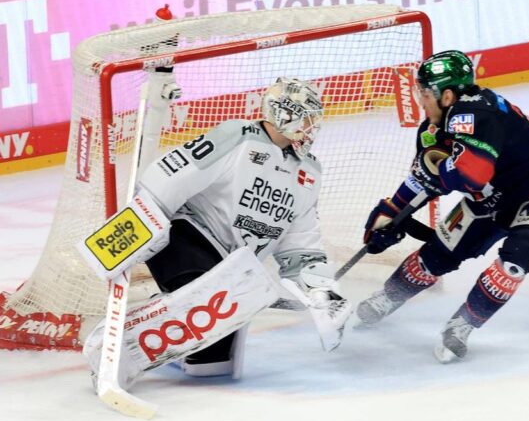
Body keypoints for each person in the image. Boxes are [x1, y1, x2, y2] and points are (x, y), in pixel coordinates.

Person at [80, 77, 352, 388]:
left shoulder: (308, 172)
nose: (312, 127)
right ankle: (112, 350)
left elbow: (300, 244)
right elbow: (165, 181)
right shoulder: (236, 137)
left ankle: (161, 316)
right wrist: (127, 238)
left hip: (230, 269)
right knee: (211, 297)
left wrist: (323, 293)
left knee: (212, 365)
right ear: (284, 113)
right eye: (307, 118)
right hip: (184, 238)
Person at [355, 50, 529, 363]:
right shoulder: (433, 129)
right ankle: (389, 296)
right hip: (493, 197)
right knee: (438, 254)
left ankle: (463, 324)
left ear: (447, 95)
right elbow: (424, 179)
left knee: (518, 257)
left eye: (425, 93)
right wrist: (392, 213)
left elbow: (473, 175)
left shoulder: (474, 112)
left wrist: (439, 174)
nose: (421, 101)